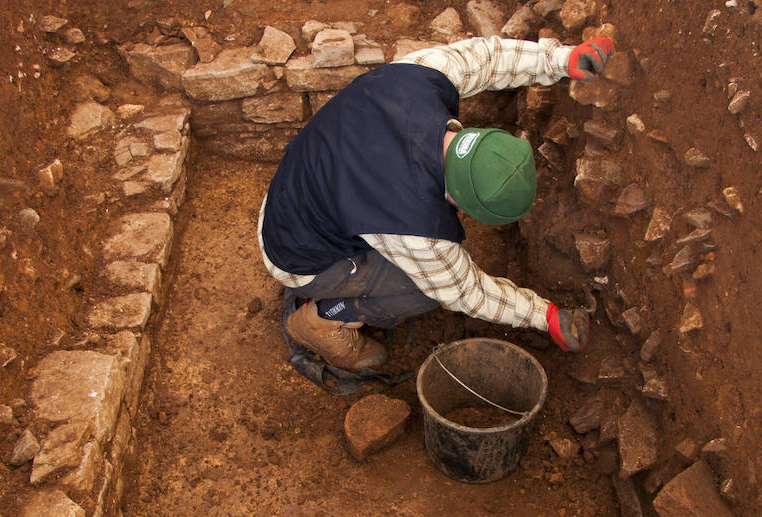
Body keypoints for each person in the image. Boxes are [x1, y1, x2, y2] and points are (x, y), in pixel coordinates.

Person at [257, 32, 613, 374]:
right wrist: (545, 316)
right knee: (420, 292)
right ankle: (321, 319)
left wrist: (563, 58)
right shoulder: (412, 223)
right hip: (297, 255)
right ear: (461, 203)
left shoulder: (420, 79)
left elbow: (487, 59)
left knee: (419, 265)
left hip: (294, 190)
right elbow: (466, 293)